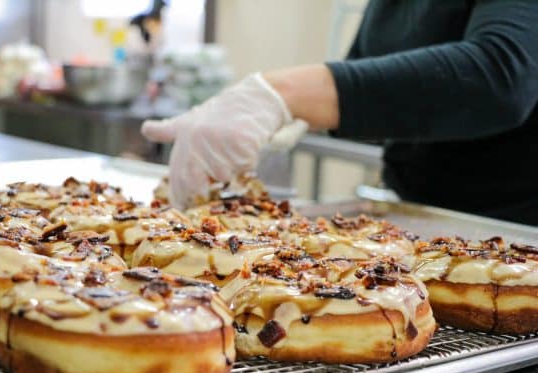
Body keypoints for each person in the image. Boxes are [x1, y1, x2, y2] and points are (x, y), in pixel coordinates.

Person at [141, 0, 538, 226]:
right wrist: (291, 116)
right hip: (423, 216)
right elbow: (375, 77)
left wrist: (281, 93)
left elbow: (501, 75)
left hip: (516, 231)